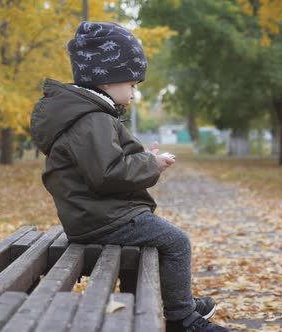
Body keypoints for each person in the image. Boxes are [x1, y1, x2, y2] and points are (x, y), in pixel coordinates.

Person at [30, 22, 230, 332]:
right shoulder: (92, 119)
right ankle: (183, 319)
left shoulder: (90, 115)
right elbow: (108, 175)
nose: (135, 94)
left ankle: (181, 302)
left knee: (165, 241)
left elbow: (108, 163)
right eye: (132, 84)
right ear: (106, 80)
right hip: (102, 219)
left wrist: (143, 158)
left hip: (97, 214)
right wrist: (152, 165)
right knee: (176, 242)